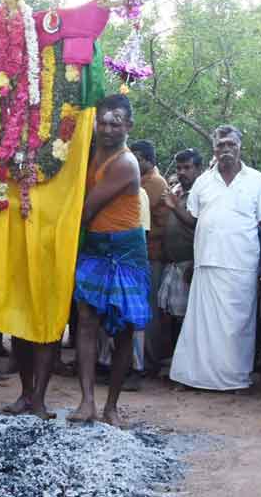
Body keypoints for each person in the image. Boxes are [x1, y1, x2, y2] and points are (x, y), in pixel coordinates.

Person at [168, 125, 261, 392]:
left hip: (242, 262)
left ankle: (234, 379)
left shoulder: (256, 180)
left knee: (237, 326)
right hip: (207, 261)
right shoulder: (204, 182)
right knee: (200, 325)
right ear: (214, 149)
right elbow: (195, 221)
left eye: (230, 144)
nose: (226, 150)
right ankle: (194, 377)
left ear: (240, 145)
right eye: (220, 146)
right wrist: (174, 207)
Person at [66, 94, 150, 427]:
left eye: (115, 122)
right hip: (95, 247)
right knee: (86, 322)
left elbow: (86, 210)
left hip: (125, 250)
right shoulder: (89, 152)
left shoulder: (126, 163)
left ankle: (111, 406)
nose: (107, 128)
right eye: (102, 121)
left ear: (128, 126)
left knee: (125, 328)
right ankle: (87, 401)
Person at [129, 140, 169, 378]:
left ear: (146, 159)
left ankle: (149, 362)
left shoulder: (152, 184)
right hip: (144, 253)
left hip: (150, 254)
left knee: (147, 311)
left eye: (135, 158)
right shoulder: (142, 181)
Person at [158, 148, 202, 354]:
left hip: (190, 264)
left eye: (188, 167)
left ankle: (185, 364)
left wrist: (195, 263)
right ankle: (174, 363)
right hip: (173, 264)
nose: (183, 172)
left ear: (198, 169)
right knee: (170, 315)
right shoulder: (175, 191)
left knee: (188, 318)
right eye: (179, 168)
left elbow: (200, 228)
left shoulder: (202, 194)